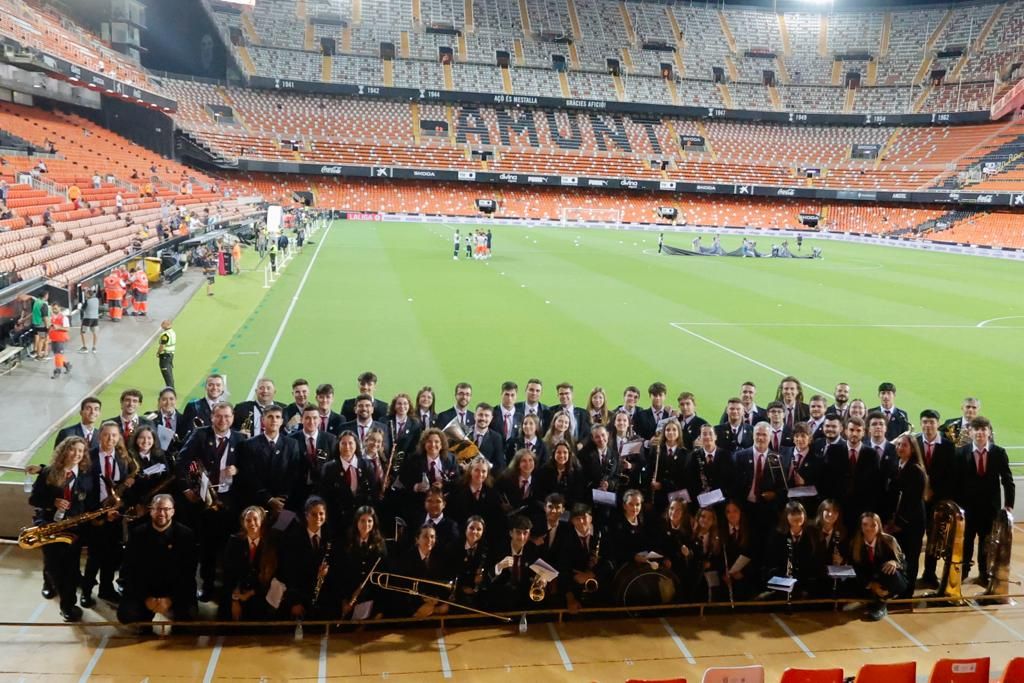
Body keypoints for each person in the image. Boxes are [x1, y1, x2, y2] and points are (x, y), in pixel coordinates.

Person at [29, 437, 96, 621]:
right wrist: (52, 502)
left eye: (81, 451)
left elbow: (88, 502)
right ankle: (64, 602)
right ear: (64, 451)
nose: (76, 454)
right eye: (73, 450)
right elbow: (34, 499)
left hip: (73, 529)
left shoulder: (86, 475)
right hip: (49, 526)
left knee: (71, 567)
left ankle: (67, 602)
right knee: (54, 566)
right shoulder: (48, 473)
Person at [118, 494, 199, 629]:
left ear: (173, 511)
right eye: (157, 509)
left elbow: (188, 573)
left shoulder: (186, 535)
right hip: (146, 588)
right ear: (151, 511)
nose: (162, 513)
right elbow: (130, 570)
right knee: (127, 615)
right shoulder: (138, 534)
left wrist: (170, 599)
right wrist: (146, 598)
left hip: (174, 588)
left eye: (166, 509)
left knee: (189, 616)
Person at [957, 416, 1014, 584]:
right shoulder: (961, 452)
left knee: (986, 542)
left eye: (984, 429)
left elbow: (1007, 480)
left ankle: (984, 572)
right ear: (970, 432)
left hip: (990, 508)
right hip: (967, 509)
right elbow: (956, 481)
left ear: (989, 432)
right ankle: (963, 571)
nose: (980, 433)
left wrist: (1009, 505)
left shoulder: (999, 453)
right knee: (966, 541)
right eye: (977, 429)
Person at [850, 512, 907, 621]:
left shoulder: (889, 541)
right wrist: (872, 585)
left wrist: (895, 563)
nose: (869, 528)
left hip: (887, 579)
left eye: (873, 525)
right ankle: (874, 597)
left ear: (879, 526)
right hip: (869, 580)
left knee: (890, 570)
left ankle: (882, 601)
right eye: (865, 524)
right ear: (861, 526)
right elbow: (856, 568)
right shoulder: (855, 543)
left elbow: (904, 563)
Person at [220, 506, 272, 621]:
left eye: (255, 519)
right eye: (248, 520)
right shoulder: (234, 541)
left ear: (261, 521)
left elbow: (270, 576)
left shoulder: (269, 544)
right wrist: (235, 599)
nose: (252, 523)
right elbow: (229, 573)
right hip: (238, 591)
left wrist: (251, 593)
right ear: (243, 523)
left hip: (260, 593)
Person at [47, 303, 71, 379]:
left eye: (55, 308)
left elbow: (67, 329)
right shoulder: (52, 318)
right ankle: (67, 365)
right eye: (53, 308)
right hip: (53, 338)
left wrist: (58, 327)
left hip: (60, 339)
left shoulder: (64, 318)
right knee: (58, 355)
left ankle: (57, 371)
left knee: (58, 355)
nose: (54, 310)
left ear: (59, 308)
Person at [30, 290, 49, 360]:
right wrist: (47, 326)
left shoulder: (36, 302)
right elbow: (45, 317)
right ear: (45, 296)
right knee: (42, 339)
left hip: (35, 324)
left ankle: (40, 353)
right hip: (41, 325)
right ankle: (38, 355)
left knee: (41, 339)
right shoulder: (43, 304)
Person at [79, 286, 99, 353]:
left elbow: (82, 310)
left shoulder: (87, 301)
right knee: (95, 333)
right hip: (95, 318)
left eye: (86, 294)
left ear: (88, 295)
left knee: (82, 332)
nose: (85, 295)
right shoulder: (97, 300)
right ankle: (94, 348)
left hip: (87, 318)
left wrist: (81, 318)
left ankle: (85, 347)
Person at [156, 320, 175, 389]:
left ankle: (170, 388)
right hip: (171, 354)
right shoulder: (172, 332)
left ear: (167, 325)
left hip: (165, 355)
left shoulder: (165, 335)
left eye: (163, 324)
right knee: (169, 371)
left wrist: (158, 353)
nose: (161, 325)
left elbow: (162, 345)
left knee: (166, 372)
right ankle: (170, 386)